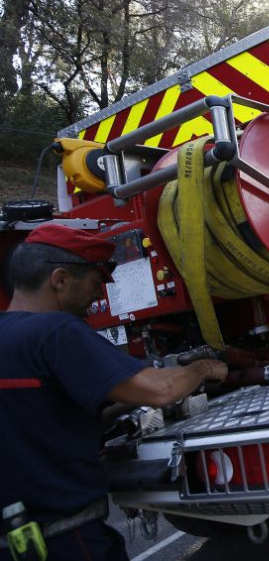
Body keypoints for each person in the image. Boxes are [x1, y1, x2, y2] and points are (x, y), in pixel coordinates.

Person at [0, 224, 228, 560]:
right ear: (60, 279)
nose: (98, 297)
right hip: (68, 541)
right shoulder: (56, 331)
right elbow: (162, 389)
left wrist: (123, 407)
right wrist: (205, 368)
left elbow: (42, 416)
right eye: (95, 283)